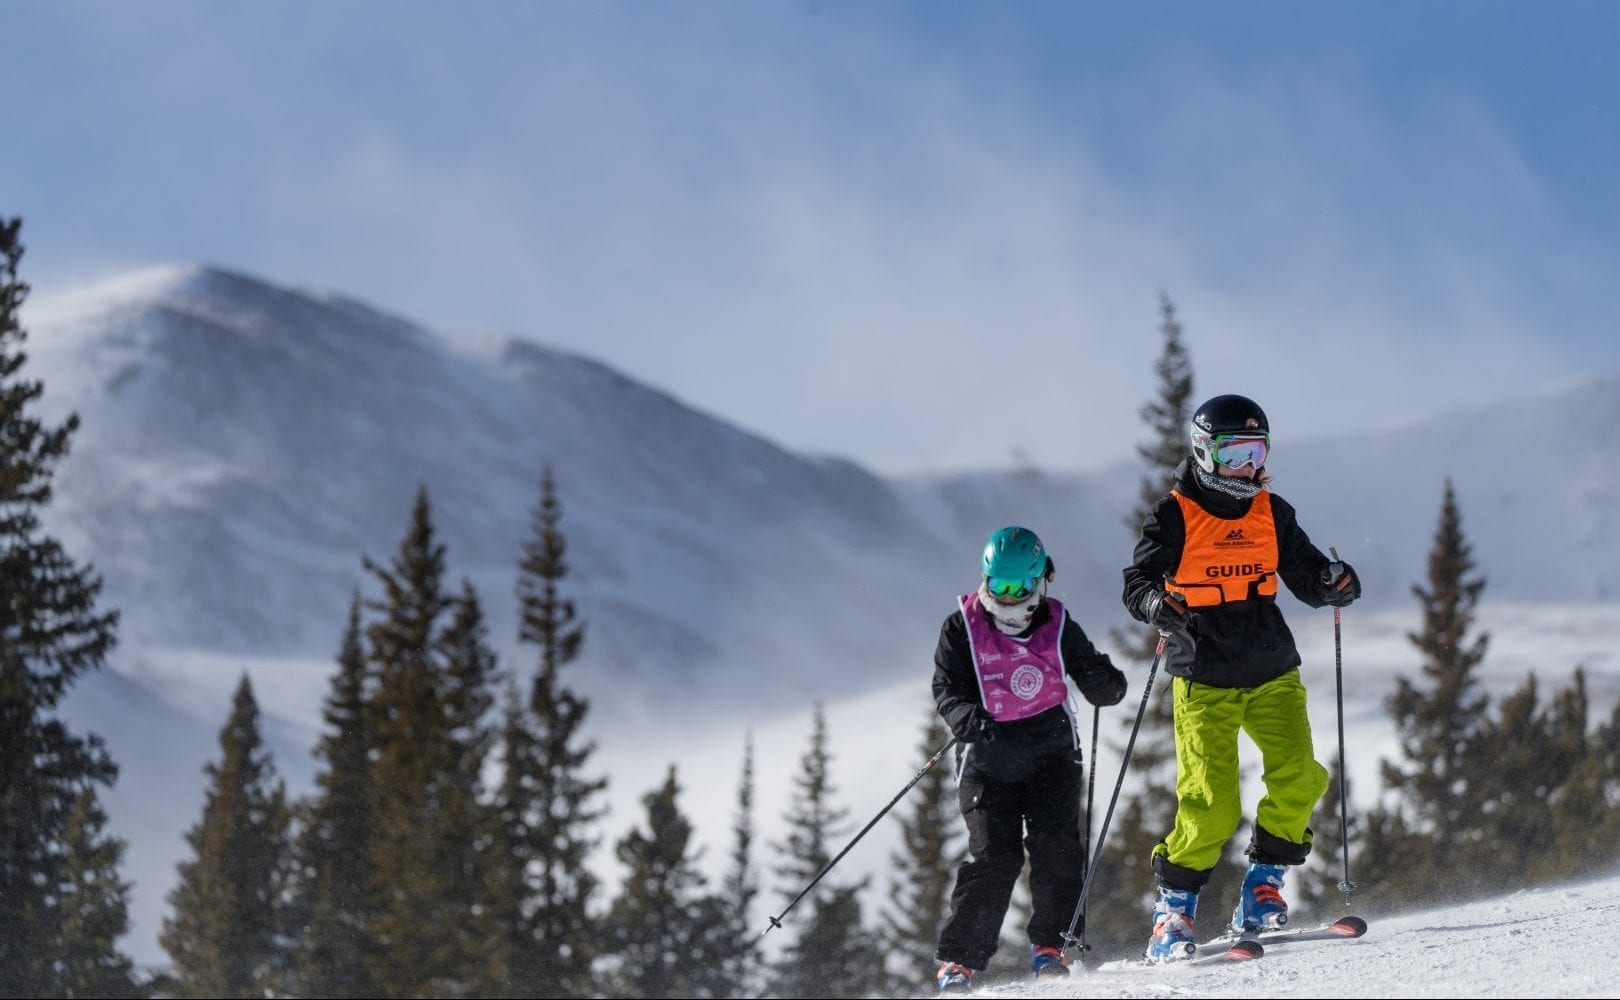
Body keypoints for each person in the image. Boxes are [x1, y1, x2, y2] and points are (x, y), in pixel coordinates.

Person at [1121, 393, 1361, 962]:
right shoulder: (1174, 514)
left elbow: (1304, 574)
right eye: (1234, 454)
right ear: (1204, 452)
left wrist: (1334, 583)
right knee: (1212, 803)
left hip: (1272, 667)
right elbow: (1136, 583)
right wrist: (1156, 602)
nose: (1247, 467)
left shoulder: (1271, 511)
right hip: (1204, 672)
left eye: (1257, 453)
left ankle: (1262, 890)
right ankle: (1172, 916)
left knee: (1301, 778)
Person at [931, 526, 1128, 993]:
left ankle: (1051, 948)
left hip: (1052, 757)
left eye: (1019, 587)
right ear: (985, 578)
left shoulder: (1057, 621)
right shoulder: (961, 624)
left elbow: (1092, 671)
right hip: (988, 761)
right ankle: (959, 963)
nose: (1008, 597)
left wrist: (1106, 684)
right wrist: (968, 719)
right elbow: (946, 689)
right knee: (994, 859)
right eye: (999, 585)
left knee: (1057, 849)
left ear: (1040, 582)